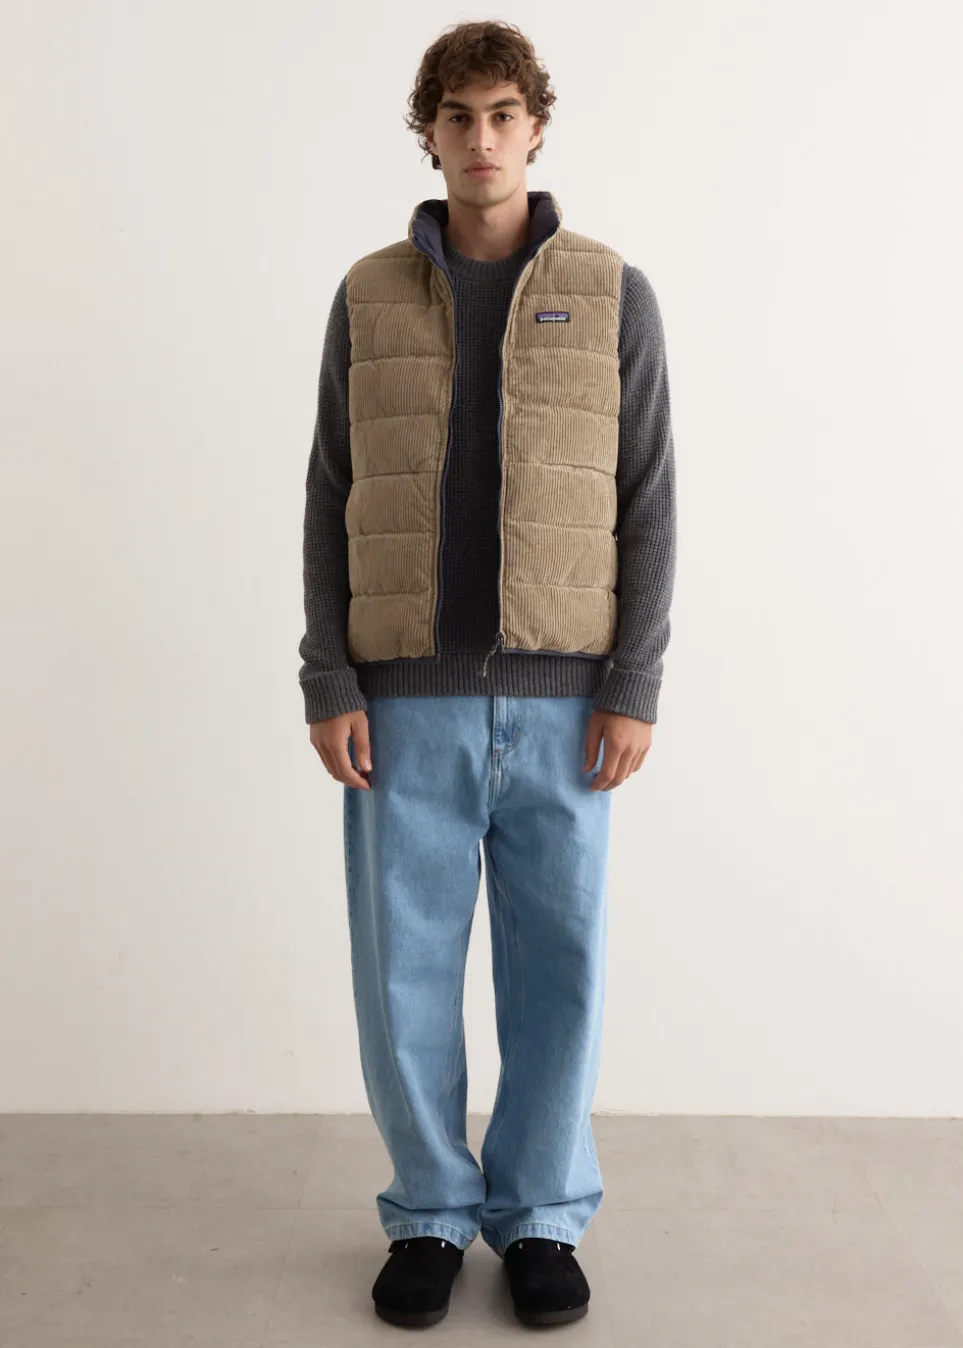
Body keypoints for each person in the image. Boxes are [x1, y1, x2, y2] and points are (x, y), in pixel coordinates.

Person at [298, 19, 677, 1329]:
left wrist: (634, 683)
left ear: (536, 127)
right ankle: (428, 1211)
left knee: (557, 971)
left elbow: (648, 498)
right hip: (403, 702)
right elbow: (331, 491)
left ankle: (541, 1218)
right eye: (456, 116)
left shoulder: (612, 292)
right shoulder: (367, 295)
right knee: (401, 973)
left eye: (502, 113)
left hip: (569, 704)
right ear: (428, 132)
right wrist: (329, 677)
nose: (480, 138)